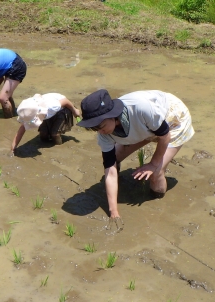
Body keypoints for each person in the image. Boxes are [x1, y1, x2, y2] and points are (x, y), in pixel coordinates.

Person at [77, 89, 194, 223]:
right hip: (148, 126)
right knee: (115, 158)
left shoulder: (141, 109)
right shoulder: (103, 133)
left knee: (155, 173)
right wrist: (113, 212)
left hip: (173, 119)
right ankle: (117, 187)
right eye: (95, 129)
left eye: (102, 126)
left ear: (112, 115)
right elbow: (110, 171)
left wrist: (153, 164)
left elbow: (164, 135)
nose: (101, 132)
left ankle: (157, 200)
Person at [11, 93, 81, 152]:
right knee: (43, 134)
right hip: (46, 113)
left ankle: (58, 148)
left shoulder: (52, 106)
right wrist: (13, 148)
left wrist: (74, 110)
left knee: (55, 134)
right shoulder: (28, 113)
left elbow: (65, 101)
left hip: (62, 109)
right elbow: (21, 130)